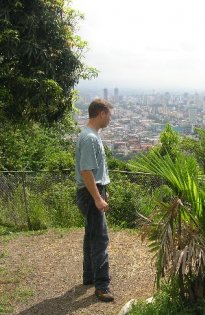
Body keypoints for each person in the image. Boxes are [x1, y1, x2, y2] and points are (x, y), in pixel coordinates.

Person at [75, 98, 114, 302]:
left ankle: (89, 276)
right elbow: (86, 171)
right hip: (91, 193)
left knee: (91, 234)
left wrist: (102, 190)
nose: (110, 118)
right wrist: (98, 198)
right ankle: (102, 286)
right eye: (109, 114)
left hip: (92, 191)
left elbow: (94, 172)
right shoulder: (90, 138)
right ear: (101, 114)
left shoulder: (91, 135)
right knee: (100, 239)